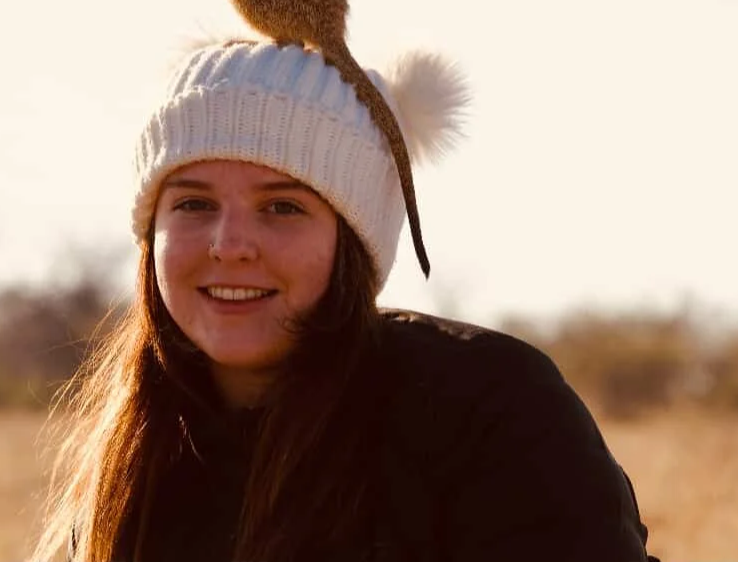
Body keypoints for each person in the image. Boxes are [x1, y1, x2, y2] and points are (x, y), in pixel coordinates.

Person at [33, 38, 660, 562]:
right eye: (194, 203)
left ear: (352, 243)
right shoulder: (132, 459)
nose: (229, 245)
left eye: (283, 207)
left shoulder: (488, 409)